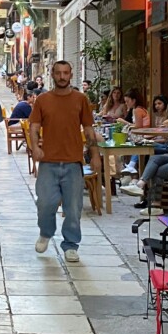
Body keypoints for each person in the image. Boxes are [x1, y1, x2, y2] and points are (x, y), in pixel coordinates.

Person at [30, 60, 101, 261]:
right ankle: (46, 232)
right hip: (48, 162)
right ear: (52, 74)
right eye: (58, 73)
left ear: (71, 75)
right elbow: (34, 126)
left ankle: (71, 245)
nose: (62, 76)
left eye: (66, 73)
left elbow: (88, 129)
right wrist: (35, 147)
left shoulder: (80, 99)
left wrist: (95, 155)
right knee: (45, 203)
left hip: (73, 162)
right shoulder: (43, 100)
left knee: (73, 207)